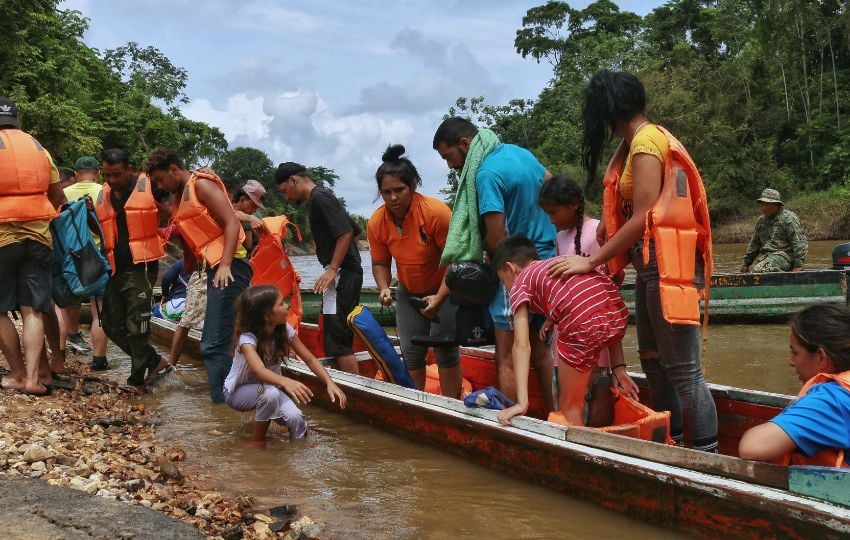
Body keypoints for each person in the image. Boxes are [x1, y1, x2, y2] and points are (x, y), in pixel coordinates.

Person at [548, 70, 718, 452]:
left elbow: (643, 214)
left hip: (666, 261)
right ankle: (669, 447)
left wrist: (591, 262)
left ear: (607, 108)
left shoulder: (645, 144)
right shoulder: (630, 146)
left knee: (685, 372)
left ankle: (708, 456)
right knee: (655, 364)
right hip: (648, 264)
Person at [433, 117, 556, 411]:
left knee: (506, 348)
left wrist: (492, 268)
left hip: (513, 266)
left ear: (465, 144)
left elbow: (496, 235)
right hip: (548, 261)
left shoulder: (486, 173)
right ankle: (554, 413)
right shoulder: (522, 154)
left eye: (449, 157)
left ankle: (513, 417)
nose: (450, 166)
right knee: (542, 345)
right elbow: (551, 183)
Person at [147, 150, 251, 402]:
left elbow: (232, 222)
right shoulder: (181, 195)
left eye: (160, 179)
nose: (159, 185)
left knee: (213, 345)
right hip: (213, 268)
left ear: (174, 169)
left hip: (230, 267)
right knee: (213, 343)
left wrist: (225, 264)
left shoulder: (201, 184)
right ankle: (228, 402)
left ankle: (225, 405)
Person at [492, 236, 630, 426]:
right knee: (591, 330)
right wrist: (618, 365)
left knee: (569, 407)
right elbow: (592, 296)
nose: (507, 289)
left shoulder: (520, 282)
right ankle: (607, 378)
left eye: (503, 281)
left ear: (510, 268)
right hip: (617, 313)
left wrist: (522, 402)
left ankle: (585, 451)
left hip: (581, 324)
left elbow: (521, 345)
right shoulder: (560, 262)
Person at [367, 144, 462, 396]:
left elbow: (455, 260)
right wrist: (385, 287)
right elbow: (379, 262)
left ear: (412, 186)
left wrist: (440, 297)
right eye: (386, 192)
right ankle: (417, 405)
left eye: (399, 190)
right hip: (409, 294)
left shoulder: (436, 213)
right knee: (411, 353)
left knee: (446, 351)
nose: (393, 198)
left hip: (445, 290)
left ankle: (451, 406)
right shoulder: (377, 221)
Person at [537, 174, 638, 398]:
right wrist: (550, 319)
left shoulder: (598, 234)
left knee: (593, 394)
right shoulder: (560, 238)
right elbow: (560, 288)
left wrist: (618, 365)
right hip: (565, 335)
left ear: (574, 203)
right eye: (548, 214)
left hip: (594, 335)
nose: (552, 220)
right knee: (566, 398)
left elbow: (609, 296)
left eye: (554, 212)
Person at [0, 96, 66, 395]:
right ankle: (34, 378)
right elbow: (56, 193)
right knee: (33, 310)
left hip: (2, 236)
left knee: (0, 310)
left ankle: (16, 374)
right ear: (17, 120)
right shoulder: (38, 147)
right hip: (39, 236)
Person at [224, 285, 346, 446]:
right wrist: (287, 382)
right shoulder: (247, 339)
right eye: (281, 304)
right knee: (270, 394)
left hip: (270, 388)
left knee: (297, 420)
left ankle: (297, 456)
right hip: (237, 392)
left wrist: (329, 382)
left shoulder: (283, 329)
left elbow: (310, 359)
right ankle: (257, 442)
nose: (287, 305)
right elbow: (259, 371)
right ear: (267, 315)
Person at [276, 162, 362, 375]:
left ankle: (353, 391)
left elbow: (345, 233)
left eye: (285, 191)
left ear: (294, 180)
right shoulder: (322, 197)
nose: (287, 197)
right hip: (343, 274)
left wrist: (334, 268)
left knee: (338, 338)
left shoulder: (320, 198)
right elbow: (355, 229)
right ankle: (342, 382)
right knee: (334, 332)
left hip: (342, 274)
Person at [739, 304, 850, 466]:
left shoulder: (832, 400)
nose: (791, 362)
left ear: (820, 357)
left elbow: (752, 448)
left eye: (795, 352)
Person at [95, 149, 168, 393]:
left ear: (129, 168)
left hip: (142, 266)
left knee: (138, 325)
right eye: (107, 174)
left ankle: (136, 381)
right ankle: (155, 362)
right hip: (115, 266)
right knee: (109, 324)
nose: (111, 180)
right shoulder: (103, 193)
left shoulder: (150, 185)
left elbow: (179, 200)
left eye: (116, 174)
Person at [58, 155, 108, 369]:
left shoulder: (62, 193)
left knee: (62, 306)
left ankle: (58, 358)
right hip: (96, 258)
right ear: (98, 174)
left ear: (76, 175)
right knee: (99, 312)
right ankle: (99, 360)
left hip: (67, 260)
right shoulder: (105, 192)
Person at [741, 188, 808, 273]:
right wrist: (746, 264)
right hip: (767, 258)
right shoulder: (761, 221)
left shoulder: (789, 218)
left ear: (776, 205)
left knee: (759, 270)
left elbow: (800, 243)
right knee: (758, 269)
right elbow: (754, 244)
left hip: (785, 258)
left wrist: (798, 266)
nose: (763, 208)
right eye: (762, 205)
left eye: (767, 205)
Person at [231, 179, 267, 252]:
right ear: (242, 199)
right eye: (253, 206)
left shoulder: (246, 216)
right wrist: (249, 219)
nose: (254, 211)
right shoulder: (246, 218)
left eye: (256, 207)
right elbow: (247, 245)